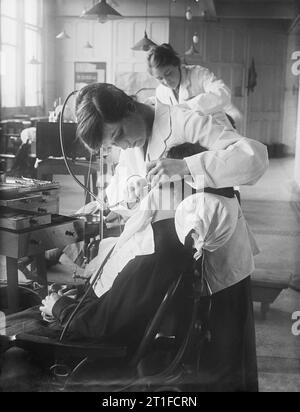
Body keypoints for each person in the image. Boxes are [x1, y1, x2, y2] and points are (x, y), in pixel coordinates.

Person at [0, 83, 268, 391]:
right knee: (180, 353)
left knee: (224, 359)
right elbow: (122, 187)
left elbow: (254, 158)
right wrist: (111, 203)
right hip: (171, 254)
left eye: (117, 136)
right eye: (114, 144)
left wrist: (186, 166)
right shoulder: (129, 144)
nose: (123, 146)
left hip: (215, 252)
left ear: (129, 107)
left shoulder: (186, 122)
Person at [147, 43, 242, 129]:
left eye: (168, 73)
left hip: (217, 130)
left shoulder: (198, 74)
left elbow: (223, 93)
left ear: (177, 64)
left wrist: (188, 106)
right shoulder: (160, 91)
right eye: (160, 78)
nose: (166, 81)